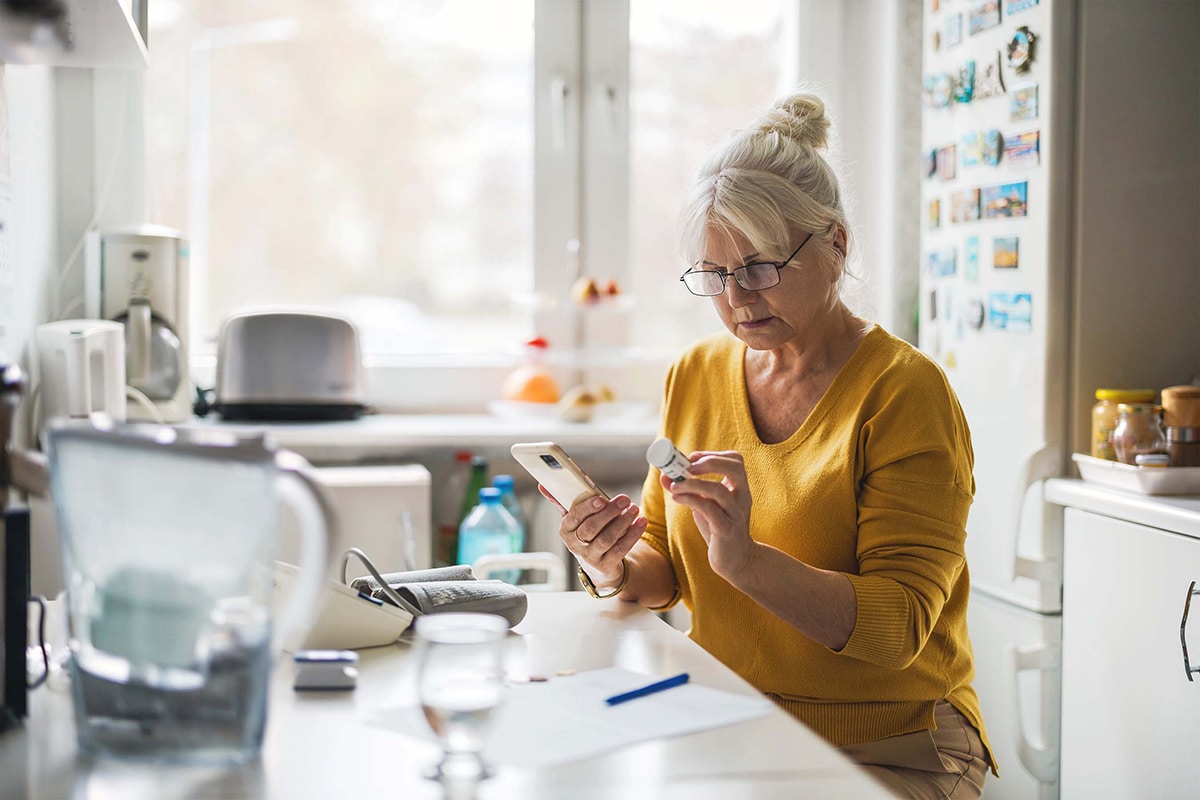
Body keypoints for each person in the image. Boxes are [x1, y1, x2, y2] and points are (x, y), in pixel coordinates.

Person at [544, 89, 996, 800]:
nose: (739, 298)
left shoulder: (905, 393)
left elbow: (899, 627)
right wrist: (611, 564)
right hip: (730, 722)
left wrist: (747, 561)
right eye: (716, 276)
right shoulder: (693, 374)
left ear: (836, 244)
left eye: (760, 267)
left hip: (893, 744)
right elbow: (664, 573)